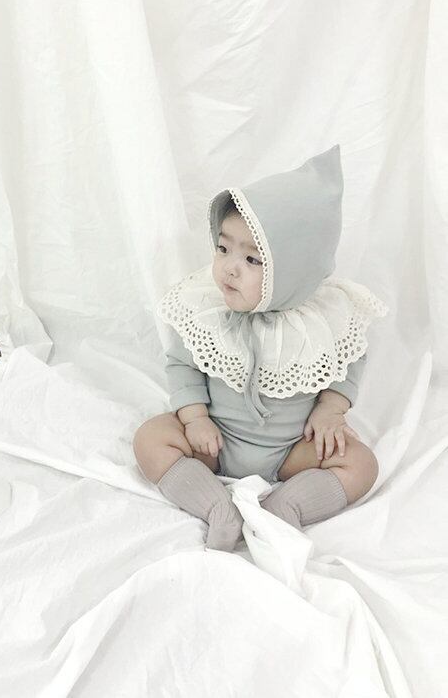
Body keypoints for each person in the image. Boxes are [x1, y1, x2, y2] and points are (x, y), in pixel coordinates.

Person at [133, 145, 389, 552]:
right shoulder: (207, 309)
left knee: (362, 464)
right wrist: (195, 418)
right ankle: (216, 506)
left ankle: (287, 507)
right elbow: (182, 364)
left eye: (252, 259)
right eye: (223, 248)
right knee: (150, 439)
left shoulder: (323, 318)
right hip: (215, 440)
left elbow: (348, 360)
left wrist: (331, 409)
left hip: (292, 451)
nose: (230, 267)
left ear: (296, 270)